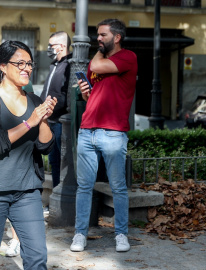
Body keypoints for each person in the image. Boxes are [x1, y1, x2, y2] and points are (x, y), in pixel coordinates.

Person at [70, 18, 137, 253]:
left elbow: (96, 67)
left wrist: (96, 56)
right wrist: (87, 92)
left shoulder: (128, 57)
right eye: (97, 35)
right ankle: (80, 234)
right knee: (84, 187)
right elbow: (92, 97)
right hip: (88, 130)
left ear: (117, 38)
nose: (98, 39)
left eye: (103, 35)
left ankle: (121, 234)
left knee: (118, 186)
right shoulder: (97, 61)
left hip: (113, 132)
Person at [0, 40, 57, 269]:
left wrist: (41, 120)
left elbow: (46, 146)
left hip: (27, 192)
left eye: (30, 64)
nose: (26, 68)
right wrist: (29, 123)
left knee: (37, 258)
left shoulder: (34, 100)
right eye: (20, 63)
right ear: (2, 66)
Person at [40, 31, 71, 188]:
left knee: (63, 160)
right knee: (53, 160)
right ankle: (56, 194)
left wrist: (51, 108)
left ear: (62, 46)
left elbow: (65, 95)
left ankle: (63, 193)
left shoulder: (70, 64)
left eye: (51, 45)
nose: (48, 48)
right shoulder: (54, 65)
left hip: (60, 121)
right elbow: (48, 90)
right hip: (50, 121)